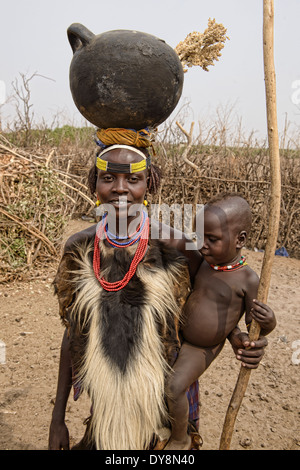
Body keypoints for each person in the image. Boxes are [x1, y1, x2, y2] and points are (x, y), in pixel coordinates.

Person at [48, 132, 269, 450]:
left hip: (166, 410)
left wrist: (240, 338)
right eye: (108, 177)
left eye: (133, 179)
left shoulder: (180, 246)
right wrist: (58, 419)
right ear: (93, 183)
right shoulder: (79, 248)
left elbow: (208, 303)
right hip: (109, 406)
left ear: (149, 184)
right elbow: (72, 332)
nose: (120, 189)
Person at [165, 193, 276, 450]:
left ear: (240, 240)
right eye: (199, 237)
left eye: (212, 239)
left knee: (173, 386)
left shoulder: (247, 280)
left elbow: (254, 325)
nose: (202, 245)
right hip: (177, 336)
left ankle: (180, 438)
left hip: (201, 347)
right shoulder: (205, 263)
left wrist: (268, 322)